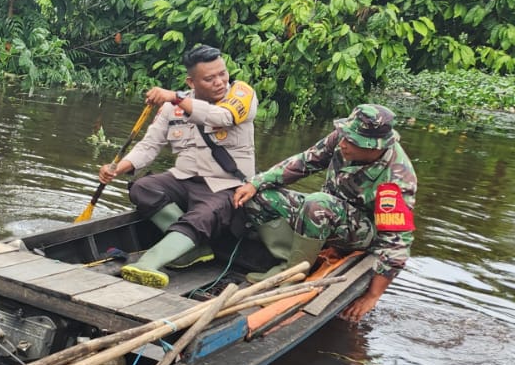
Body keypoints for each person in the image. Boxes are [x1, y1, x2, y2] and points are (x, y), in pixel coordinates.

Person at [232, 103, 417, 322]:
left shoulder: (396, 179)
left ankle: (294, 275)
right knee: (258, 197)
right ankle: (286, 260)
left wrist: (373, 295)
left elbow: (396, 243)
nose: (343, 144)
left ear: (374, 147)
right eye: (344, 136)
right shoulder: (341, 140)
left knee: (318, 204)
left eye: (352, 141)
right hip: (322, 211)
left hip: (361, 231)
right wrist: (257, 183)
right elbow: (305, 161)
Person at [99, 44, 258, 288]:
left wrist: (175, 96)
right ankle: (194, 246)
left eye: (222, 74)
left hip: (227, 186)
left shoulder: (242, 94)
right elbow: (149, 146)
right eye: (209, 78)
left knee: (204, 214)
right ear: (192, 82)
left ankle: (148, 263)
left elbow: (222, 117)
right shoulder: (169, 109)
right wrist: (117, 168)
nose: (220, 82)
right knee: (142, 187)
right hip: (184, 180)